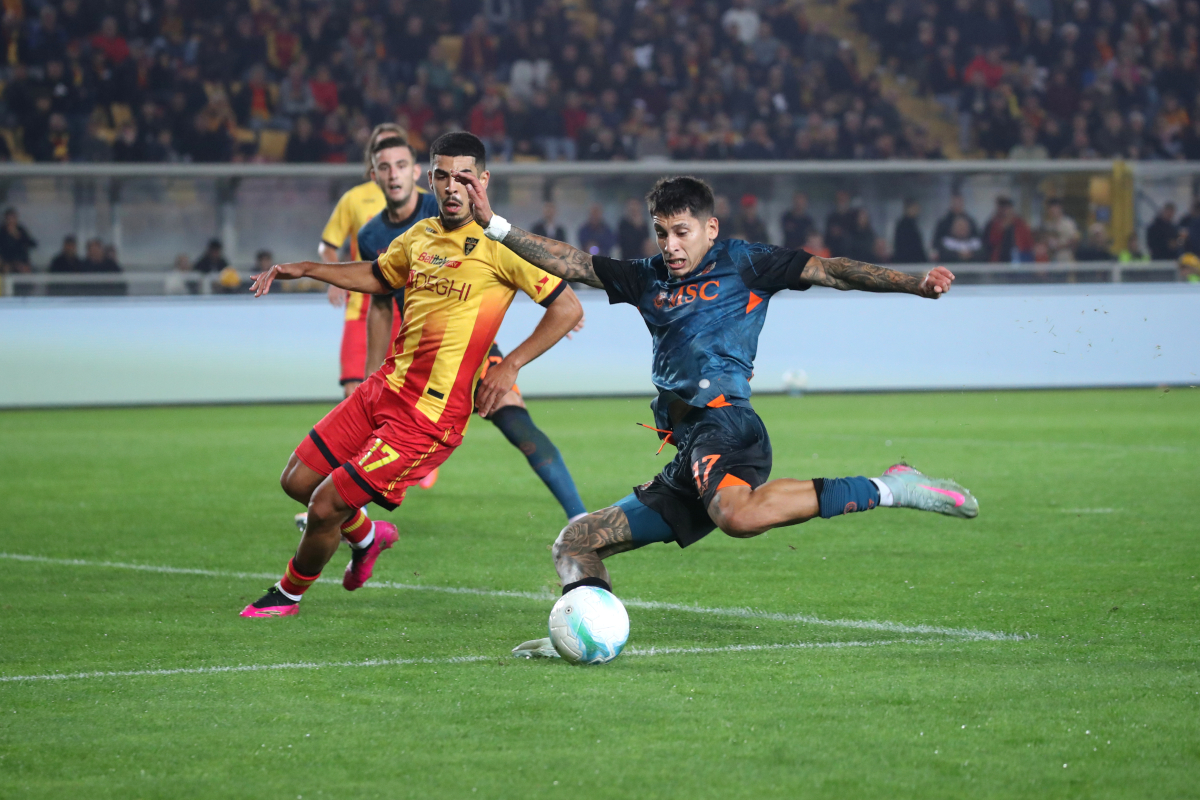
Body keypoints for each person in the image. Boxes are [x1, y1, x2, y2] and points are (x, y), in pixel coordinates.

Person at [452, 172, 978, 659]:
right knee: (575, 543)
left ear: (711, 228)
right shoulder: (647, 277)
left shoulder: (746, 263)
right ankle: (582, 633)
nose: (671, 245)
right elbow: (575, 263)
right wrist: (494, 224)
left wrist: (914, 283)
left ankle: (892, 487)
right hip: (691, 450)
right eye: (661, 233)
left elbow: (833, 270)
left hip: (726, 425)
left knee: (737, 517)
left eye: (682, 232)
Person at [240, 131, 583, 618]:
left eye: (463, 177)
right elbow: (379, 277)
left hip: (428, 417)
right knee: (297, 482)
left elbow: (568, 308)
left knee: (324, 506)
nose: (452, 187)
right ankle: (368, 538)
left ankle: (286, 595)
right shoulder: (419, 236)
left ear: (483, 181)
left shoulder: (502, 245)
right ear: (431, 179)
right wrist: (308, 268)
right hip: (385, 388)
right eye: (442, 176)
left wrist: (510, 365)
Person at [356, 133, 588, 523]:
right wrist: (370, 373)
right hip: (415, 362)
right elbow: (380, 305)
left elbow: (502, 252)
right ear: (373, 175)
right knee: (371, 428)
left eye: (401, 165)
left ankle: (580, 520)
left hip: (472, 354)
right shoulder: (371, 236)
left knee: (516, 423)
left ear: (417, 173)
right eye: (384, 167)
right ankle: (346, 510)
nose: (393, 175)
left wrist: (554, 298)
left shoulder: (450, 202)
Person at [319, 123, 406, 399]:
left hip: (407, 306)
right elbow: (327, 245)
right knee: (354, 391)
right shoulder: (355, 198)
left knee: (397, 395)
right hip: (362, 304)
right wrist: (335, 278)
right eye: (382, 146)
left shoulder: (421, 199)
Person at [983, 196, 1034, 262]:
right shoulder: (993, 224)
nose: (1005, 211)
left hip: (1018, 258)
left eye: (1007, 208)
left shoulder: (1020, 224)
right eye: (1002, 208)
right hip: (998, 260)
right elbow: (989, 243)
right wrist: (1000, 229)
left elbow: (1028, 244)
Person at [930, 193, 977, 261]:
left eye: (959, 203)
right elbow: (937, 246)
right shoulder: (943, 223)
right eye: (955, 203)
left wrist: (970, 254)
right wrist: (957, 254)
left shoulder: (971, 222)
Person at [0, 208, 37, 274]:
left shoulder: (21, 230)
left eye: (13, 218)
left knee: (25, 269)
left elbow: (32, 244)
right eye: (9, 219)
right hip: (6, 261)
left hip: (21, 261)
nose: (11, 221)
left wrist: (19, 236)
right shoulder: (2, 232)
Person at [892, 198, 927, 263]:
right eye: (915, 208)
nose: (917, 211)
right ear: (908, 209)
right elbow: (911, 246)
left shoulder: (912, 224)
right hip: (908, 261)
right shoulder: (904, 226)